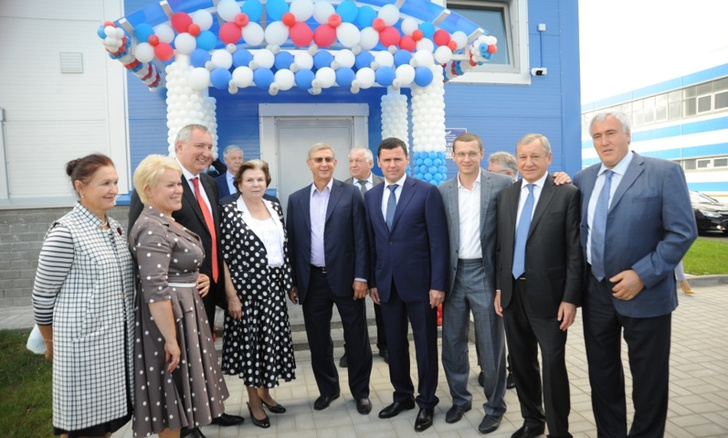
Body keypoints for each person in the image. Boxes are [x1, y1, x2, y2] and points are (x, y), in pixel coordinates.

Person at [574, 111, 697, 437]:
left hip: (646, 293)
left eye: (611, 133)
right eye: (597, 136)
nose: (604, 142)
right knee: (602, 377)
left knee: (649, 381)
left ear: (628, 135)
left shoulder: (663, 173)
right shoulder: (583, 179)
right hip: (596, 293)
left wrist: (642, 275)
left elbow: (682, 232)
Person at [128, 125, 244, 432]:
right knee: (181, 361)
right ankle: (187, 426)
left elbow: (213, 236)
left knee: (200, 355)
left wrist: (214, 280)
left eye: (209, 147)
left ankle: (208, 409)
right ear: (179, 147)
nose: (206, 153)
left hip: (206, 287)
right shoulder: (157, 186)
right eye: (199, 146)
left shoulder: (209, 183)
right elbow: (144, 251)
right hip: (174, 298)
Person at [31, 153, 135, 438]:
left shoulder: (114, 228)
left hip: (113, 348)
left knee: (105, 424)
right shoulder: (66, 233)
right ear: (80, 187)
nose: (114, 189)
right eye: (105, 183)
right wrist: (50, 343)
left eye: (115, 182)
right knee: (83, 428)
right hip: (83, 350)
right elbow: (42, 297)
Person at [495, 133, 582, 438]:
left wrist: (570, 298)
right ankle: (533, 422)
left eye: (535, 156)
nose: (528, 163)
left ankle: (559, 432)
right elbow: (501, 247)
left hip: (551, 298)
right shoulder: (506, 196)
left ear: (548, 158)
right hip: (512, 294)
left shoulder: (566, 193)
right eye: (523, 157)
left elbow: (575, 251)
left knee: (553, 365)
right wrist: (499, 288)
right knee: (521, 364)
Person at [364, 137, 449, 432]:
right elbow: (373, 242)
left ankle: (427, 402)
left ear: (407, 159)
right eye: (387, 160)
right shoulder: (371, 196)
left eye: (397, 159)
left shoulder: (426, 192)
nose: (392, 164)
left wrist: (437, 284)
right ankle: (403, 396)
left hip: (421, 285)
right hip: (386, 285)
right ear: (378, 162)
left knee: (425, 346)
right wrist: (373, 281)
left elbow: (439, 242)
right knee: (395, 345)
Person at [286, 143, 373, 415]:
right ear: (309, 164)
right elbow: (293, 243)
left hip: (348, 280)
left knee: (357, 338)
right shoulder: (296, 199)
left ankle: (361, 392)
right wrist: (293, 281)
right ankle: (328, 389)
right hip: (312, 281)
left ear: (335, 163)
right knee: (318, 341)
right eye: (318, 159)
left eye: (328, 159)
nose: (323, 164)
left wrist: (361, 276)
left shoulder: (351, 194)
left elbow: (361, 237)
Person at [438, 133, 511, 434]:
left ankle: (495, 407)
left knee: (491, 346)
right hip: (454, 275)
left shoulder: (502, 184)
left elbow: (532, 198)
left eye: (472, 153)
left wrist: (559, 178)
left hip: (485, 273)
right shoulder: (443, 191)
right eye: (461, 153)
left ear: (482, 153)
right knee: (453, 343)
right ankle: (460, 400)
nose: (466, 158)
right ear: (453, 156)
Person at [219, 159, 296, 429]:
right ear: (239, 184)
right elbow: (223, 256)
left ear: (267, 182)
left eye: (260, 179)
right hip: (246, 294)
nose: (255, 184)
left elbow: (283, 249)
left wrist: (289, 283)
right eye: (249, 180)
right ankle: (253, 401)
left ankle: (265, 393)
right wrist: (231, 296)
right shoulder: (228, 210)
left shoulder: (274, 206)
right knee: (251, 349)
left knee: (269, 344)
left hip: (273, 291)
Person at [339, 146, 387, 368]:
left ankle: (386, 346)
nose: (353, 165)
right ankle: (353, 350)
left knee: (383, 304)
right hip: (353, 256)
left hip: (380, 254)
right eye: (351, 161)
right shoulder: (341, 188)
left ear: (370, 163)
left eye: (358, 161)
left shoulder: (384, 184)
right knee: (352, 308)